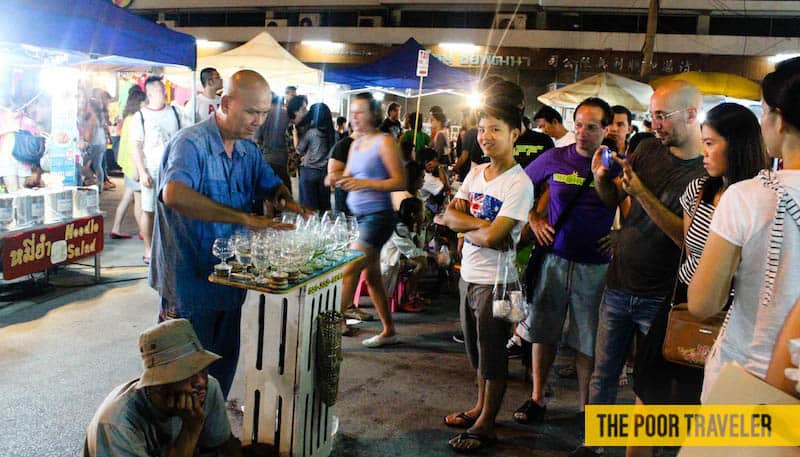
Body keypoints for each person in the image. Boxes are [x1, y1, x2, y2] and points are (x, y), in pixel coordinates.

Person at [150, 70, 311, 398]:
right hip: (188, 283)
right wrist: (243, 218)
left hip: (229, 279)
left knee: (219, 372)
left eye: (265, 114)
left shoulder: (247, 151)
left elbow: (269, 183)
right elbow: (174, 194)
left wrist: (284, 198)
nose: (259, 121)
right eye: (252, 112)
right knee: (181, 379)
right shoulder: (191, 144)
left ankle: (210, 433)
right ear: (224, 103)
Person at [570, 80, 707, 457]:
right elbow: (616, 196)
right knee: (604, 373)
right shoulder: (645, 148)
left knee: (652, 385)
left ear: (692, 115)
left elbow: (688, 239)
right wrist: (602, 180)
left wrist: (643, 193)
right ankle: (596, 443)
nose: (655, 124)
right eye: (653, 115)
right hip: (619, 283)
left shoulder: (704, 174)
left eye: (663, 116)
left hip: (661, 296)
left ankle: (649, 448)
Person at [628, 103, 767, 457]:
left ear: (737, 144)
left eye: (711, 143)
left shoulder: (757, 198)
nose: (703, 153)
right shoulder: (701, 189)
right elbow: (687, 245)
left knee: (696, 406)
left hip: (728, 314)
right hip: (681, 303)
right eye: (703, 142)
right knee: (648, 393)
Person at [689, 57, 800, 402]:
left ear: (778, 120)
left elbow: (702, 303)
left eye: (764, 111)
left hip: (744, 378)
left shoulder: (746, 196)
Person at [514, 98, 616, 424]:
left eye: (591, 126)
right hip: (554, 260)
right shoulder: (556, 157)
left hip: (596, 266)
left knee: (588, 338)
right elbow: (517, 186)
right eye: (579, 125)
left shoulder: (616, 164)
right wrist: (533, 217)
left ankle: (586, 408)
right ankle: (537, 397)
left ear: (606, 129)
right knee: (543, 331)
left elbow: (633, 205)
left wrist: (622, 236)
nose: (583, 133)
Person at [441, 97, 534, 453]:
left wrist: (469, 230)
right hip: (470, 276)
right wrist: (478, 227)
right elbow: (449, 217)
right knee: (477, 352)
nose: (486, 136)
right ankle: (480, 407)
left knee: (493, 353)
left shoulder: (518, 183)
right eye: (482, 129)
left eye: (495, 129)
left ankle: (487, 423)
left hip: (500, 283)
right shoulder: (477, 171)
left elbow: (498, 237)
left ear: (515, 134)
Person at [84, 319, 241, 457]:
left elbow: (223, 447)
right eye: (189, 375)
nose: (201, 382)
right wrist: (191, 430)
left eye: (203, 370)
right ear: (160, 385)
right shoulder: (116, 425)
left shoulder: (208, 388)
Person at [329, 92, 406, 347]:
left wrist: (363, 183)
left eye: (360, 112)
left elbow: (399, 181)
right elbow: (347, 174)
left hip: (378, 217)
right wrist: (335, 178)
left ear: (374, 114)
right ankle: (389, 330)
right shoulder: (355, 144)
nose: (354, 117)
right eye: (352, 112)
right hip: (359, 216)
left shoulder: (385, 142)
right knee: (372, 276)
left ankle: (331, 328)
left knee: (350, 266)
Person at [130, 76, 186, 265]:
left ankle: (171, 246)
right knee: (149, 210)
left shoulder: (175, 112)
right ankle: (149, 248)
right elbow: (136, 147)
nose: (165, 93)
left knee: (174, 208)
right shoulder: (141, 116)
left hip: (174, 167)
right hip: (152, 168)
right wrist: (142, 172)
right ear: (151, 93)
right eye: (162, 90)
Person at [110, 85, 147, 239]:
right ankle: (144, 233)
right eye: (145, 101)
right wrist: (138, 169)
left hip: (128, 164)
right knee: (138, 202)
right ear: (139, 102)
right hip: (134, 166)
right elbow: (135, 146)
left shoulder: (128, 118)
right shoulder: (136, 120)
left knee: (128, 198)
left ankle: (116, 228)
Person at [295, 102, 335, 211]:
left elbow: (298, 150)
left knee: (308, 210)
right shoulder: (333, 134)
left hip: (308, 173)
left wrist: (295, 135)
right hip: (324, 173)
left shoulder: (311, 133)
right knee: (324, 209)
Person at [255, 93, 292, 190]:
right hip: (284, 160)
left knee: (268, 194)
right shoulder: (288, 116)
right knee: (285, 193)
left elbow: (257, 139)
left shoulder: (263, 116)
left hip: (267, 158)